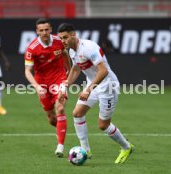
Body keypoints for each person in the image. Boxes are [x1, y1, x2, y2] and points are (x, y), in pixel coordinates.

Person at [58, 23, 134, 164]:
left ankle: (126, 147)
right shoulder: (71, 51)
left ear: (73, 35)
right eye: (61, 38)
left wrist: (88, 90)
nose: (63, 41)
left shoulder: (88, 47)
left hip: (107, 86)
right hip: (93, 85)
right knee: (77, 113)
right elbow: (75, 69)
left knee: (103, 125)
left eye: (66, 37)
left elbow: (103, 71)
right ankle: (85, 150)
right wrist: (65, 87)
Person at [24, 18, 71, 157]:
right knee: (51, 118)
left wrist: (68, 71)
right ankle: (62, 129)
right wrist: (37, 87)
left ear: (51, 29)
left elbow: (65, 54)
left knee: (60, 108)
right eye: (41, 30)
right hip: (42, 84)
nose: (44, 32)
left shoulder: (59, 41)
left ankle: (60, 146)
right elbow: (27, 71)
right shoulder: (32, 48)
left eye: (47, 29)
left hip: (59, 80)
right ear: (37, 31)